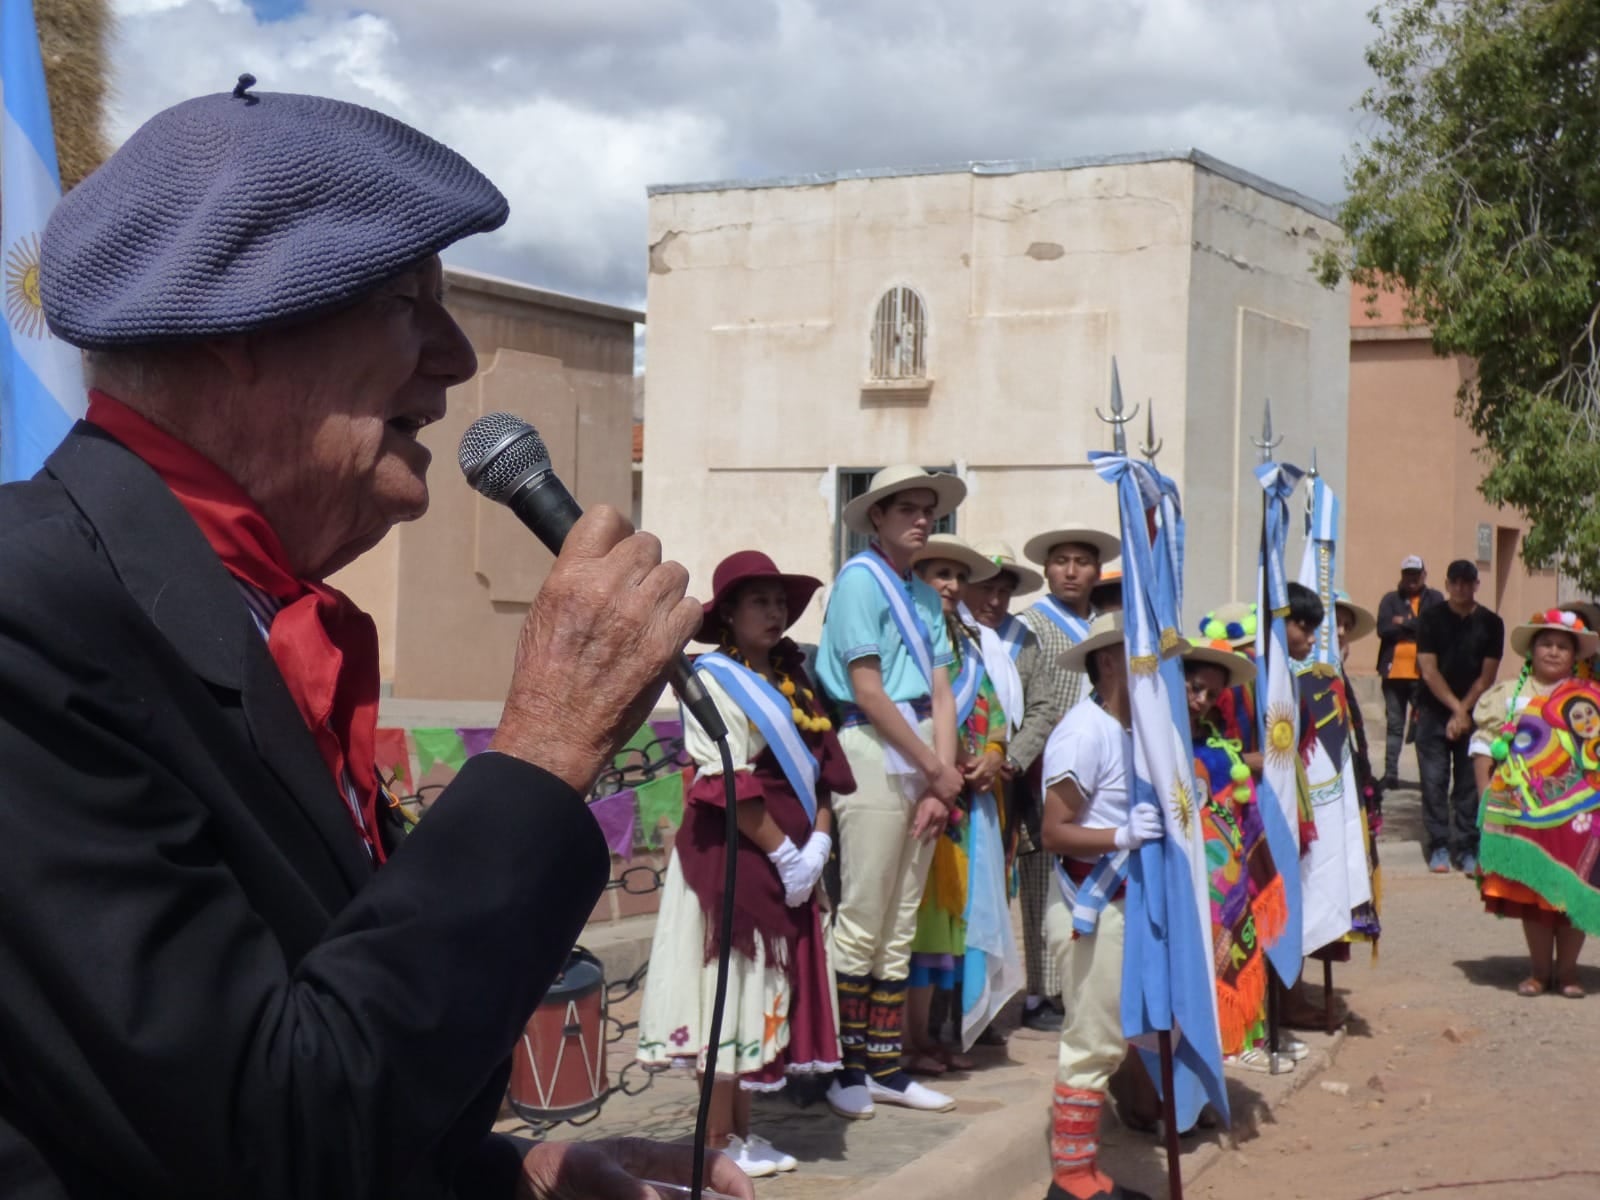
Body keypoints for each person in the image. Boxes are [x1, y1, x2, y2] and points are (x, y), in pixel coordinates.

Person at [0, 83, 751, 1200]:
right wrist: (543, 752)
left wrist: (521, 1176)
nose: (454, 360)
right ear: (235, 329)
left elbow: (303, 1049)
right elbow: (271, 1137)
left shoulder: (242, 610)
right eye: (408, 301)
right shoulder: (30, 615)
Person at [636, 551, 851, 1178]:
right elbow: (721, 778)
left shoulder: (795, 682)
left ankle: (744, 1134)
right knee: (724, 992)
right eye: (760, 600)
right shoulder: (710, 682)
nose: (776, 611)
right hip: (730, 854)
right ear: (727, 612)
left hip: (790, 858)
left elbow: (822, 774)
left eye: (781, 601)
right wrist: (785, 852)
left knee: (761, 993)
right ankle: (717, 1141)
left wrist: (817, 846)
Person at [816, 465, 966, 1118]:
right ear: (875, 516)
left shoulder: (928, 598)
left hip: (923, 754)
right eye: (906, 506)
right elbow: (868, 688)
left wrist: (942, 778)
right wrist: (936, 769)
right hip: (874, 748)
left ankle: (885, 1065)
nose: (920, 517)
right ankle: (841, 1066)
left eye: (928, 508)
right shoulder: (858, 582)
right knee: (862, 912)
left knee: (901, 917)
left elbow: (942, 693)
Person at [1040, 612, 1167, 1200]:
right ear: (1109, 660)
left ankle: (1085, 1170)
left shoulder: (1133, 732)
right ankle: (1070, 1178)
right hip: (1090, 907)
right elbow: (1054, 830)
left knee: (1109, 1039)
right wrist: (1120, 837)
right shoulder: (1083, 730)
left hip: (1122, 907)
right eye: (1137, 653)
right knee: (1089, 1043)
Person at [904, 535, 1022, 1066]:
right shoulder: (905, 635)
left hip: (968, 805)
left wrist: (995, 754)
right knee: (918, 922)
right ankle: (903, 1041)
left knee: (951, 925)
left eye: (957, 576)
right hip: (919, 795)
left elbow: (994, 713)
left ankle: (935, 1033)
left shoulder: (966, 644)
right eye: (940, 575)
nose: (951, 586)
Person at [1014, 525, 1122, 1033]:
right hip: (1048, 764)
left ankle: (1084, 978)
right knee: (1041, 875)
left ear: (1097, 571)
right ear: (1046, 570)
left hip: (1104, 761)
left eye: (1082, 561)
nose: (1072, 570)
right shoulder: (1031, 625)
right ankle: (1042, 989)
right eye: (1061, 561)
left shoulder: (1107, 626)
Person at [1470, 610, 1600, 998]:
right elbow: (1482, 747)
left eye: (1563, 646)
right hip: (1522, 810)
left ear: (1575, 654)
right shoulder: (1508, 696)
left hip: (1580, 812)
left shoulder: (1590, 697)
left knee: (1574, 890)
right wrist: (1484, 799)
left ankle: (1569, 972)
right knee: (1537, 897)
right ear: (1532, 650)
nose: (1554, 651)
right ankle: (1540, 971)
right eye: (1547, 644)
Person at [966, 541, 1062, 1031]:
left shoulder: (1022, 640)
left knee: (995, 895)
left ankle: (984, 1008)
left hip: (1003, 786)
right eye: (987, 587)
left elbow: (1043, 705)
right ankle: (946, 1010)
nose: (997, 600)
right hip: (956, 782)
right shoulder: (950, 633)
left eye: (1005, 591)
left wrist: (1012, 757)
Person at [1416, 560, 1506, 874]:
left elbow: (1487, 676)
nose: (1461, 588)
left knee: (1468, 784)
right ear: (1447, 583)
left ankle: (1467, 845)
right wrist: (1456, 709)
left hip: (1475, 712)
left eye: (1467, 582)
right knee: (1433, 782)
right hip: (1433, 710)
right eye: (1455, 582)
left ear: (1476, 584)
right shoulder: (1429, 619)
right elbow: (1428, 670)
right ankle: (1438, 845)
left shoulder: (1491, 623)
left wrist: (1465, 711)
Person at [1375, 556, 1444, 787]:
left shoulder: (1434, 598)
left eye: (1416, 574)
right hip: (1393, 673)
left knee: (1424, 726)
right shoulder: (1390, 599)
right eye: (1408, 574)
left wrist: (1402, 622)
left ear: (1424, 574)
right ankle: (1391, 773)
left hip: (1424, 675)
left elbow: (1434, 627)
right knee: (1394, 724)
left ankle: (1427, 776)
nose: (1412, 579)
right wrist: (1415, 625)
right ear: (1402, 576)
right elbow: (1383, 628)